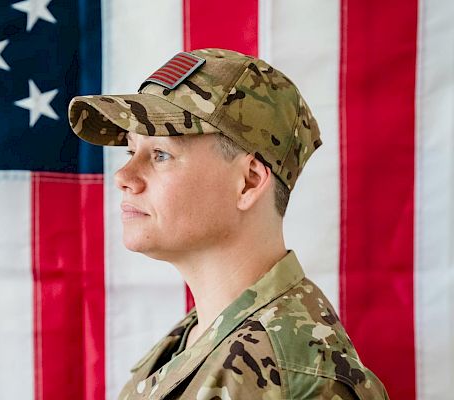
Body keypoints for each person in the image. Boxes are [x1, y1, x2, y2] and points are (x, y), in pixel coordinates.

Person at [68, 48, 389, 399]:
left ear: (249, 181)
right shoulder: (198, 338)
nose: (123, 176)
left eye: (161, 155)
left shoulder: (298, 379)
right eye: (131, 152)